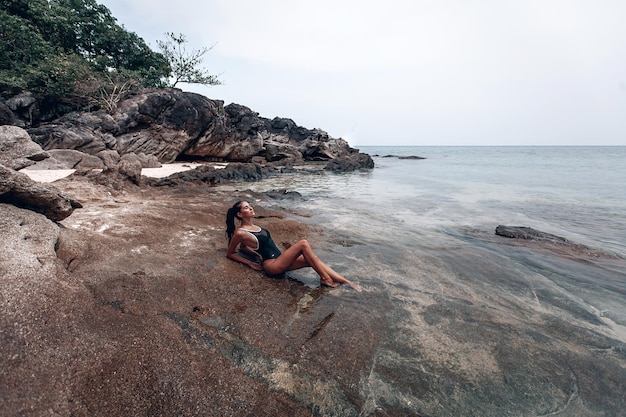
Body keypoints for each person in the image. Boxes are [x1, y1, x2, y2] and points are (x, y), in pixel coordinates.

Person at [225, 200, 362, 291]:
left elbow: (244, 248)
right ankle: (325, 279)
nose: (251, 208)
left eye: (250, 206)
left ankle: (347, 282)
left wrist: (256, 254)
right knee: (303, 244)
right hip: (272, 266)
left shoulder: (254, 226)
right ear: (239, 214)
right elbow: (230, 253)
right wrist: (250, 264)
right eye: (246, 207)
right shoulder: (240, 232)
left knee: (313, 259)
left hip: (280, 260)